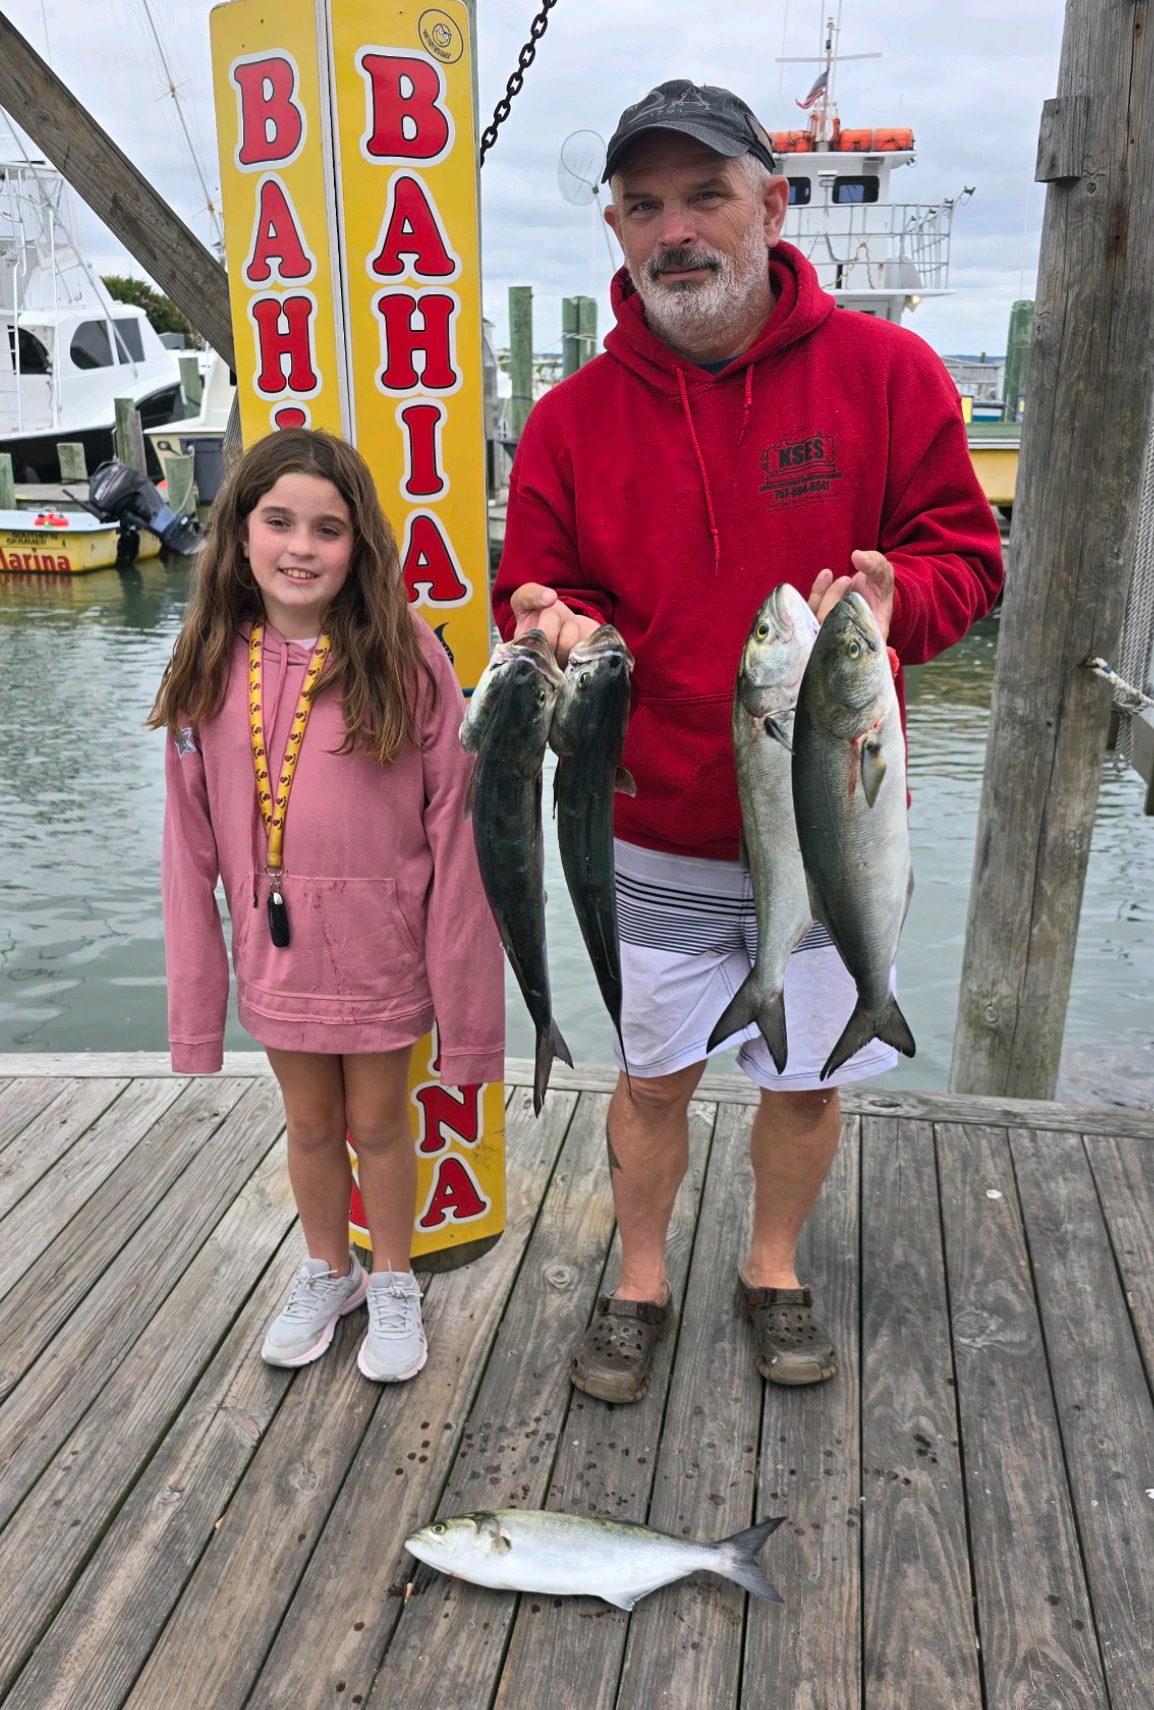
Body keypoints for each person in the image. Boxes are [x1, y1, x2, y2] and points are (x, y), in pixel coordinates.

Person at [493, 80, 1003, 1402]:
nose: (675, 229)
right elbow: (538, 583)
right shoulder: (566, 422)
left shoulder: (887, 376)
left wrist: (898, 604)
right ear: (614, 228)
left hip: (835, 819)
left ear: (771, 206)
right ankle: (641, 1275)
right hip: (652, 823)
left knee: (804, 1078)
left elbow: (964, 555)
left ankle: (770, 1268)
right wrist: (551, 623)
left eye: (704, 195)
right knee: (650, 1076)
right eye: (643, 204)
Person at [152, 428, 503, 1384]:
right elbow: (186, 854)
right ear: (240, 532)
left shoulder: (408, 654)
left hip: (380, 952)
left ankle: (394, 1276)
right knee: (309, 1124)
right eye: (279, 522)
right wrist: (195, 1012)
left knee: (382, 1121)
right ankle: (327, 1267)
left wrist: (468, 1009)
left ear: (359, 546)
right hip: (277, 954)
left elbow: (458, 836)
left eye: (328, 528)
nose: (301, 547)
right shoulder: (207, 661)